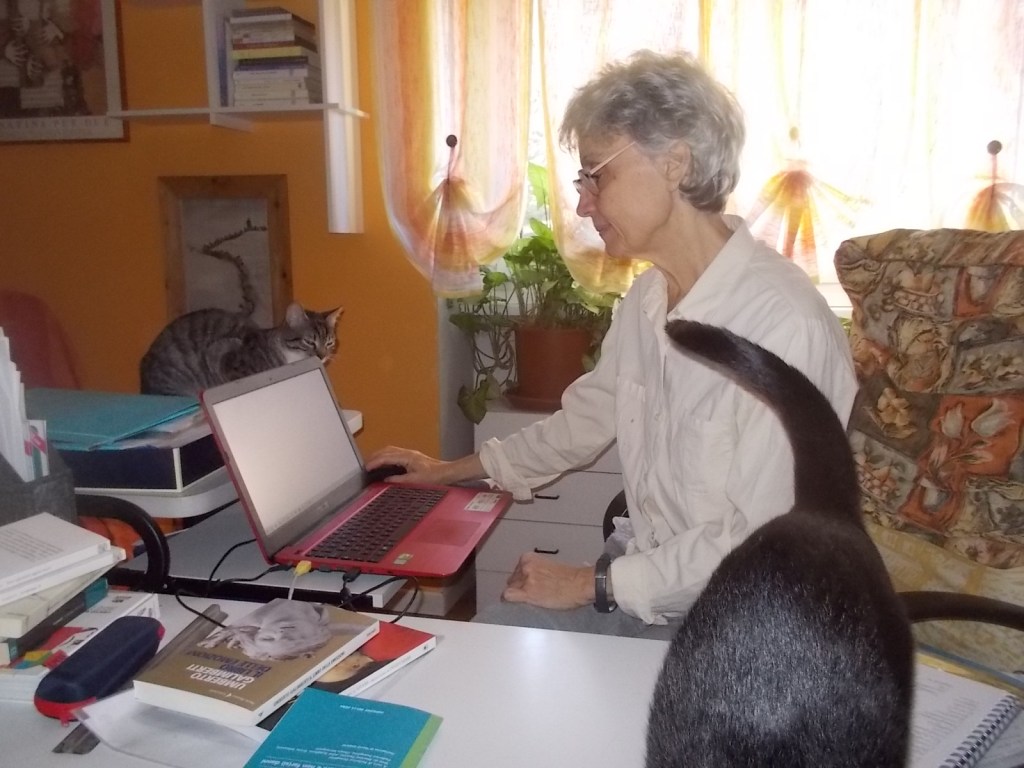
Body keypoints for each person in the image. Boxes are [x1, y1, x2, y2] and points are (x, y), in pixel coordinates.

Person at [367, 49, 857, 639]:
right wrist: (448, 471)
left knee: (502, 656)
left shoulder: (783, 327)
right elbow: (583, 422)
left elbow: (764, 542)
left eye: (596, 175)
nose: (582, 203)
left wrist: (589, 583)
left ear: (675, 162)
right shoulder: (650, 298)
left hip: (742, 620)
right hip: (649, 582)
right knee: (486, 641)